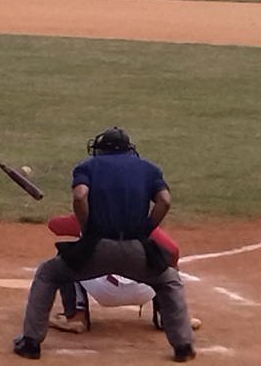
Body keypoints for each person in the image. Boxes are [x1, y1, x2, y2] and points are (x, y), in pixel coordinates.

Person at [12, 127, 196, 362]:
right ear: (129, 150)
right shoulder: (149, 169)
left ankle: (31, 343)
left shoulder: (87, 166)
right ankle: (183, 345)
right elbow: (165, 201)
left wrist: (87, 227)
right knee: (169, 280)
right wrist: (147, 228)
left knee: (49, 273)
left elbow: (80, 196)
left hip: (97, 249)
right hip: (136, 251)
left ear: (99, 149)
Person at [45, 213, 193, 334]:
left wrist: (78, 214)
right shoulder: (142, 219)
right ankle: (169, 316)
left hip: (102, 288)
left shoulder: (90, 217)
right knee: (162, 257)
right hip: (144, 288)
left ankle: (76, 316)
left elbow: (54, 225)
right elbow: (173, 251)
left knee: (65, 254)